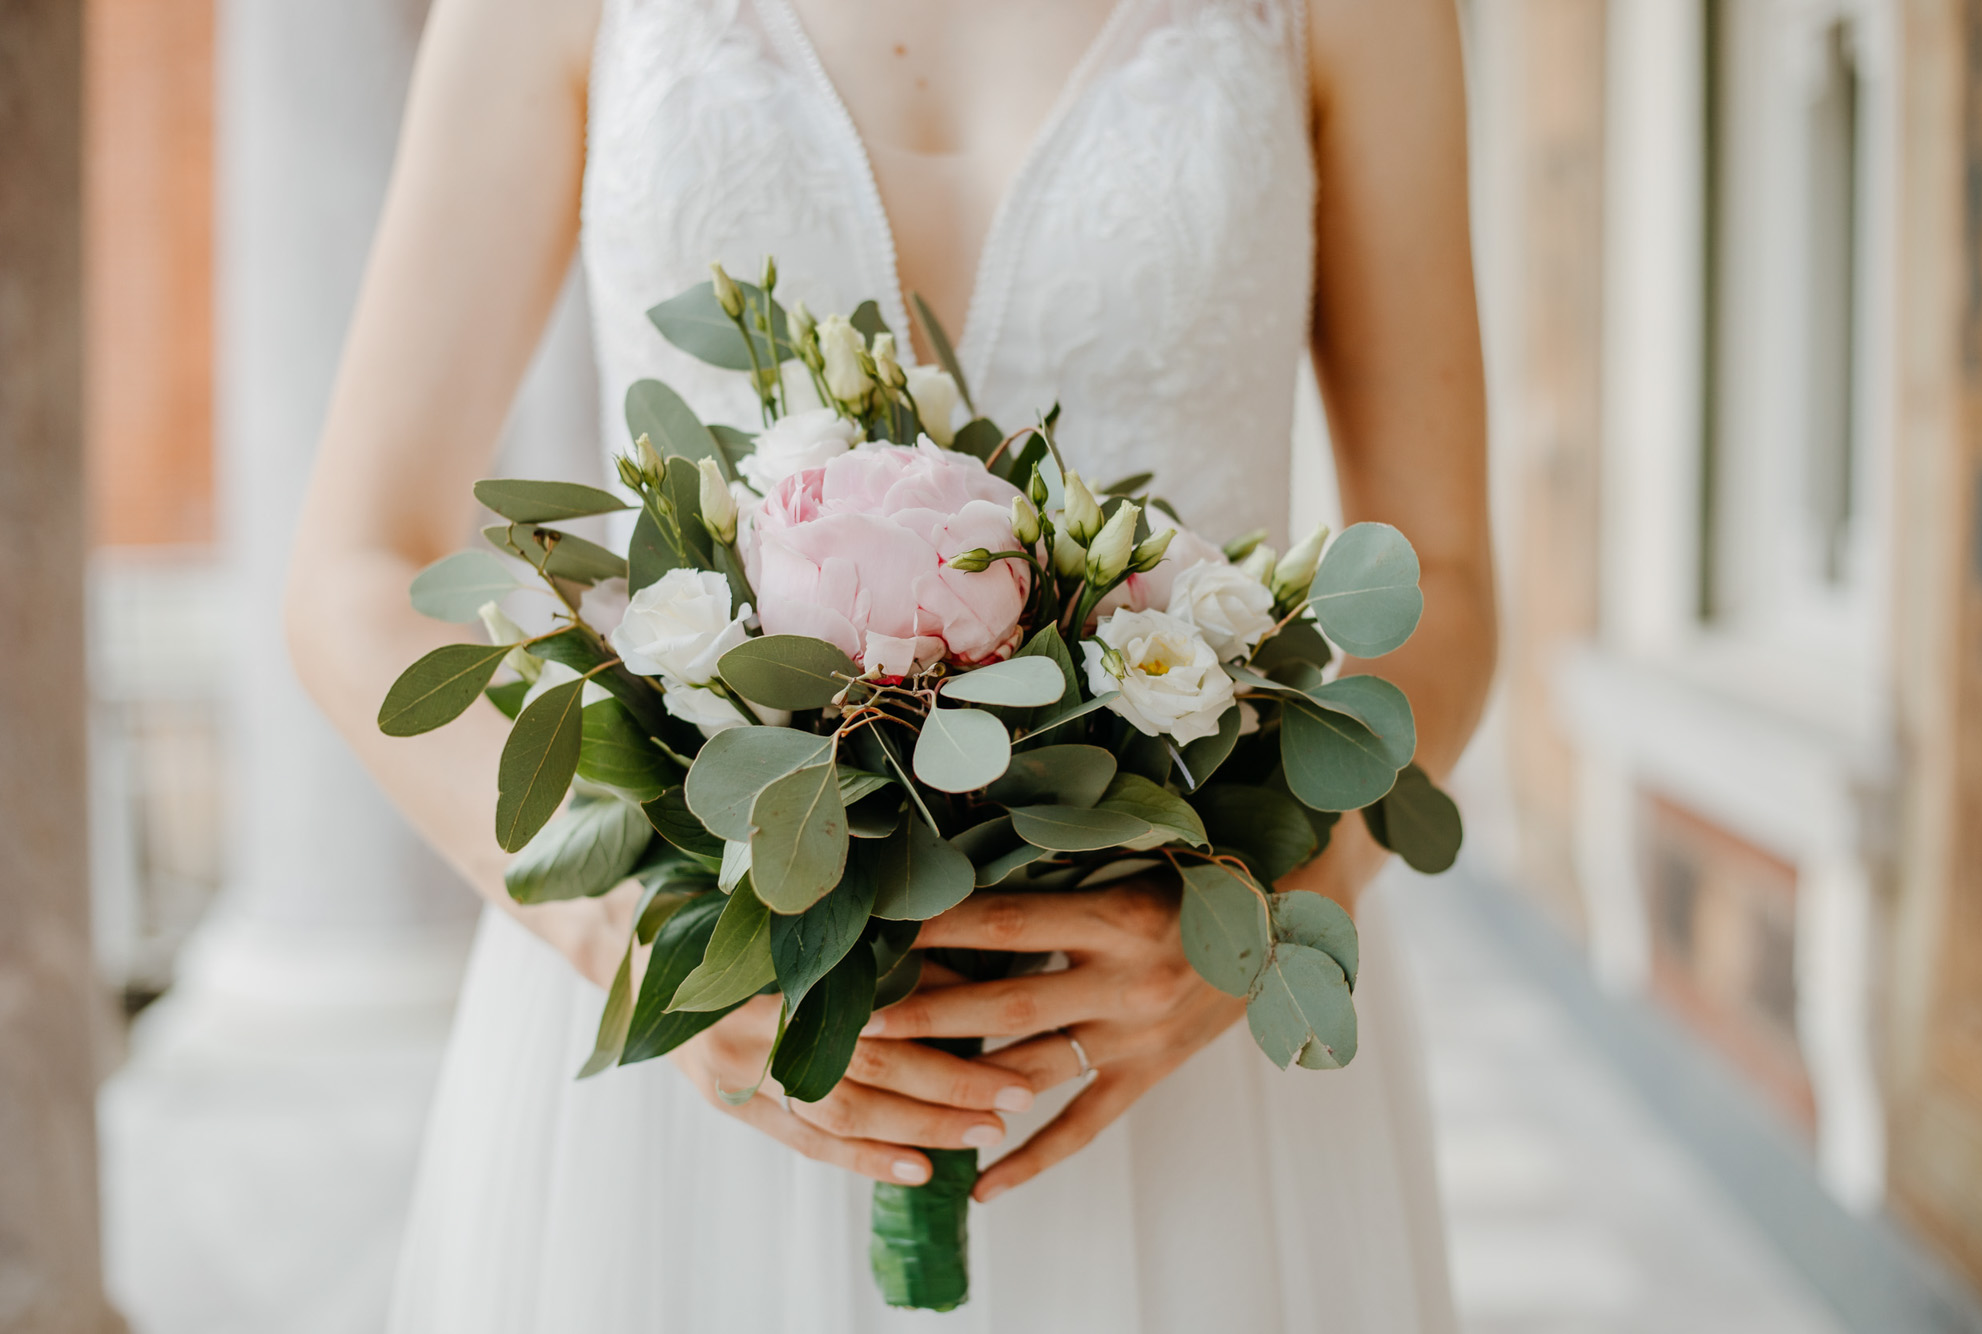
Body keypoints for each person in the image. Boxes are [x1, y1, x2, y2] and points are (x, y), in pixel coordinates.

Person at [287, 0, 1495, 1328]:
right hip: (709, 1027)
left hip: (1175, 1038)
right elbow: (354, 571)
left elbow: (1446, 574)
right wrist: (625, 934)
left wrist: (1267, 912)